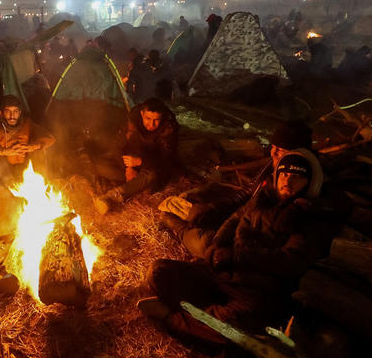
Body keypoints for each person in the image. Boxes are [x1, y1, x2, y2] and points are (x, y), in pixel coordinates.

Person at [139, 151, 326, 343]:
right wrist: (216, 244)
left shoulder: (307, 219)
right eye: (285, 174)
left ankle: (173, 317)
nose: (288, 180)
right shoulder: (263, 198)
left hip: (255, 289)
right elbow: (234, 219)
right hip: (223, 271)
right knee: (159, 271)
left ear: (308, 184)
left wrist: (236, 257)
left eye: (297, 177)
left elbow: (289, 260)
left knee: (233, 323)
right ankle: (203, 310)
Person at [161, 120, 314, 260]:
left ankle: (180, 229)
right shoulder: (274, 167)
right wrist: (213, 210)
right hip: (243, 222)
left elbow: (276, 241)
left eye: (280, 150)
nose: (273, 153)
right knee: (198, 209)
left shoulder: (304, 187)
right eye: (273, 147)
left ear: (299, 154)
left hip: (252, 242)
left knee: (205, 243)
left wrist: (232, 251)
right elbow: (246, 196)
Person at [93, 98, 179, 214]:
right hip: (131, 163)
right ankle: (135, 184)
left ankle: (111, 197)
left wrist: (140, 162)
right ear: (142, 114)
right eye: (148, 119)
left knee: (152, 176)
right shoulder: (132, 121)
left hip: (151, 167)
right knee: (101, 164)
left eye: (156, 120)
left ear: (162, 118)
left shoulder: (169, 128)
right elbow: (117, 146)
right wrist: (128, 169)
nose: (152, 124)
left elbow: (165, 160)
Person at [0, 95, 55, 186]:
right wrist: (4, 151)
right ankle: (10, 184)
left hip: (28, 165)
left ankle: (41, 182)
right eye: (8, 111)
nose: (12, 116)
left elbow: (50, 138)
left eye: (15, 112)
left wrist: (33, 146)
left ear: (20, 113)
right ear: (1, 113)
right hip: (7, 169)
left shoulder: (27, 124)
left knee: (40, 148)